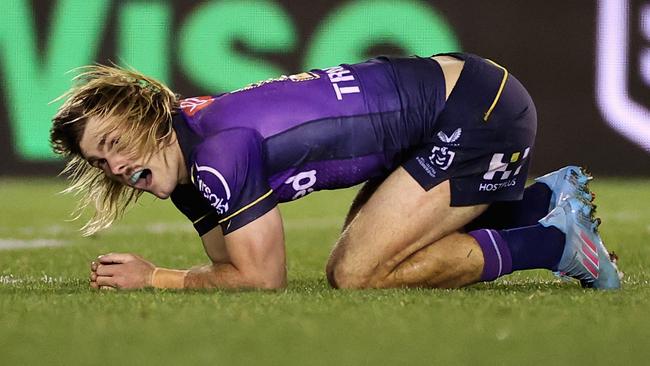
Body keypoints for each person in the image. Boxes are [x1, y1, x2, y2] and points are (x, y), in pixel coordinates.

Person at [50, 53, 622, 291]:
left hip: (474, 110)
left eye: (115, 143)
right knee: (371, 251)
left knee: (358, 273)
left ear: (144, 114)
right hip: (458, 97)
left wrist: (157, 278)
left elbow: (260, 277)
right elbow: (228, 261)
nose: (117, 167)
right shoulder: (185, 157)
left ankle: (553, 241)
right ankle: (536, 202)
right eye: (102, 161)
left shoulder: (217, 153)